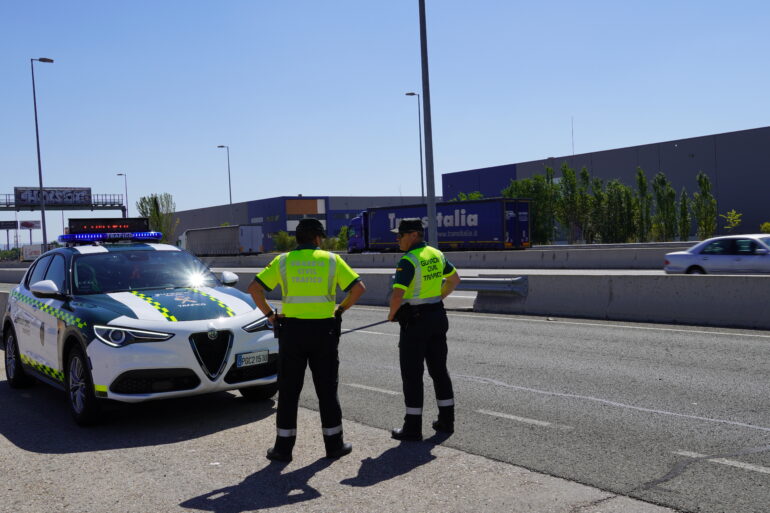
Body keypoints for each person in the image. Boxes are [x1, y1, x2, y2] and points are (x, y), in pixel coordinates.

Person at [248, 218, 366, 462]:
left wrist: (271, 315)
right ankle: (334, 445)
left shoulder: (283, 261)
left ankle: (283, 449)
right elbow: (358, 288)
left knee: (289, 391)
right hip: (324, 332)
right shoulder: (332, 260)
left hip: (292, 333)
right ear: (317, 238)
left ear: (298, 239)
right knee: (327, 390)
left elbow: (255, 289)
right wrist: (340, 310)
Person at [387, 218, 461, 441]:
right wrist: (437, 298)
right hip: (438, 317)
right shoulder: (436, 254)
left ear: (412, 235)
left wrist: (392, 315)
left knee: (412, 375)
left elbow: (397, 295)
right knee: (439, 371)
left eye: (399, 235)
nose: (397, 239)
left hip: (415, 323)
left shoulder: (408, 260)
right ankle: (447, 421)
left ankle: (412, 428)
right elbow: (455, 279)